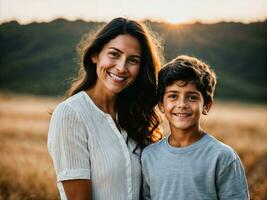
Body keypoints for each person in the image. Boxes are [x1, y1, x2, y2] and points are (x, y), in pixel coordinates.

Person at [47, 17, 162, 200]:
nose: (121, 67)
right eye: (114, 54)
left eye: (133, 60)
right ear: (95, 55)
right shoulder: (71, 114)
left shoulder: (133, 116)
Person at [141, 55, 250, 200]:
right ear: (161, 104)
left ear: (206, 105)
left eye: (192, 97)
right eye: (173, 96)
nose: (182, 104)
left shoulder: (222, 157)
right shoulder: (149, 155)